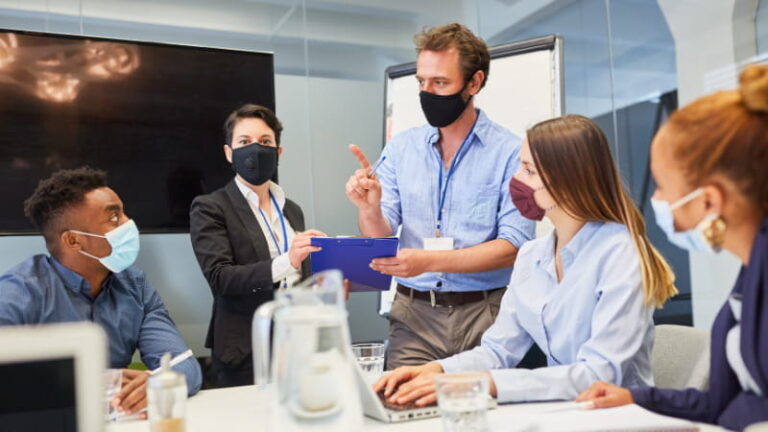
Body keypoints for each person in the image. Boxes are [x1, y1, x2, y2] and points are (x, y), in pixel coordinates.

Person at [374, 115, 677, 405]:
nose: (516, 180)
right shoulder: (533, 256)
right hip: (566, 413)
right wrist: (437, 370)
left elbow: (599, 375)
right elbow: (497, 350)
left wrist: (487, 384)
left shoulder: (620, 253)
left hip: (619, 418)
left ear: (567, 181)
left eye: (529, 171)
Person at [577, 65, 768, 431]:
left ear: (709, 201)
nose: (656, 199)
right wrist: (636, 397)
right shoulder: (750, 267)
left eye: (663, 186)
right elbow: (719, 403)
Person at [345, 23, 535, 369]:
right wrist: (369, 209)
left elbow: (513, 246)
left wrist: (429, 261)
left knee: (487, 416)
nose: (427, 92)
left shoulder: (511, 153)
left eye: (440, 83)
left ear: (474, 82)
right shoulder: (401, 148)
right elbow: (378, 237)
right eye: (421, 82)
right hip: (413, 316)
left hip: (487, 315)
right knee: (403, 410)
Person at [0, 167, 202, 417]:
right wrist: (92, 385)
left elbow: (184, 364)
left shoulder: (135, 286)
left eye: (123, 212)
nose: (129, 224)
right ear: (74, 240)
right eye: (114, 217)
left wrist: (157, 383)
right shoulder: (18, 292)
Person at [189, 104, 324, 388]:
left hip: (298, 344)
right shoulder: (211, 207)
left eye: (265, 142)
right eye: (244, 142)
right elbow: (220, 278)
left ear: (278, 152)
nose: (255, 149)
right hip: (246, 350)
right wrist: (290, 260)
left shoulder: (292, 209)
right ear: (229, 153)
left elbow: (297, 278)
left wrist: (324, 279)